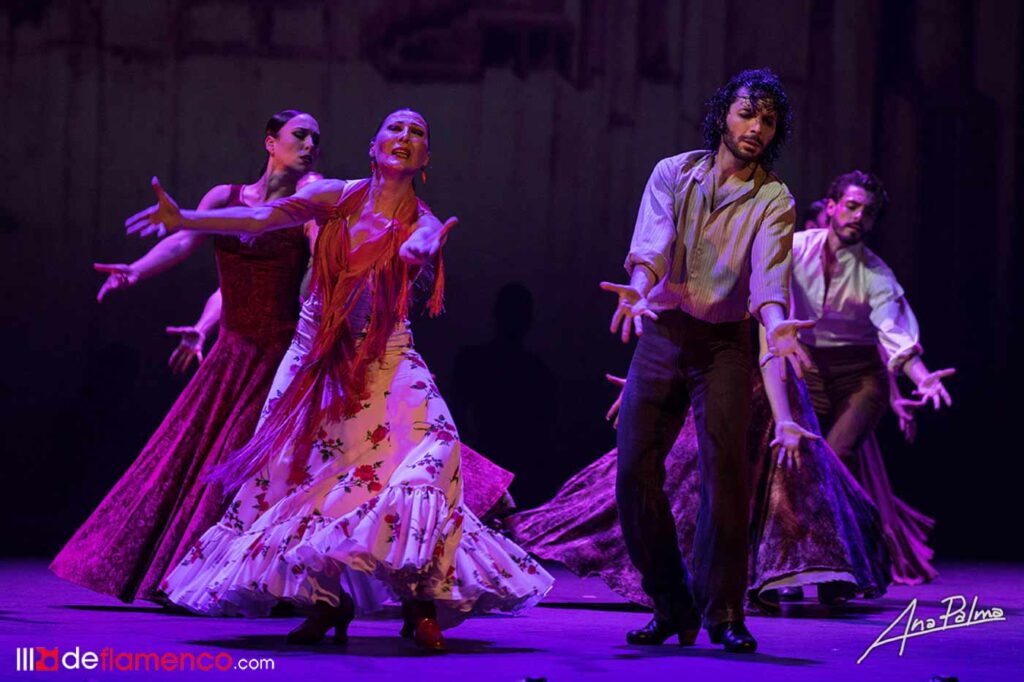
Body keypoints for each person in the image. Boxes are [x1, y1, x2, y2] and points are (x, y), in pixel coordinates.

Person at [126, 108, 553, 651]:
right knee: (306, 480)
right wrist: (188, 219)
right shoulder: (336, 195)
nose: (405, 137)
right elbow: (262, 220)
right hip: (315, 357)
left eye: (417, 133)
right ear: (374, 146)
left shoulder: (422, 220)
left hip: (386, 358)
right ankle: (326, 604)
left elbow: (421, 244)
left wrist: (420, 252)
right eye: (395, 128)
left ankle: (421, 601)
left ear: (424, 159)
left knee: (423, 464)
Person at [51, 110, 321, 603]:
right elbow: (191, 249)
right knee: (184, 459)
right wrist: (139, 274)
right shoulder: (225, 197)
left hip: (277, 356)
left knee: (241, 465)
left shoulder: (309, 202)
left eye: (315, 138)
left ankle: (234, 581)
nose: (309, 144)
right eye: (299, 135)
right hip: (230, 353)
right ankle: (176, 573)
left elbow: (310, 278)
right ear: (270, 142)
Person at [599, 68, 809, 653]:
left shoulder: (773, 198)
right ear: (724, 115)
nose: (757, 128)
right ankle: (672, 604)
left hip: (723, 344)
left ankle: (724, 611)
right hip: (663, 332)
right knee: (633, 473)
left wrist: (776, 326)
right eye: (748, 113)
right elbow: (653, 244)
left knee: (725, 475)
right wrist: (640, 288)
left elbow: (769, 282)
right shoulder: (673, 172)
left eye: (768, 121)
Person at [507, 325, 892, 613]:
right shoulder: (693, 255)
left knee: (786, 481)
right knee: (680, 481)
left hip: (765, 385)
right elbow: (671, 327)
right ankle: (530, 537)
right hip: (721, 384)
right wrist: (648, 381)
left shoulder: (763, 249)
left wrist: (784, 414)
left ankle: (790, 575)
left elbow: (769, 341)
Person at [792, 170, 954, 584]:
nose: (858, 217)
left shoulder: (876, 274)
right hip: (806, 368)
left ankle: (841, 566)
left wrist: (920, 378)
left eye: (868, 212)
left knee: (834, 459)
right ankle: (797, 565)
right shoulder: (795, 248)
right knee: (794, 462)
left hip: (859, 378)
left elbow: (893, 334)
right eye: (851, 206)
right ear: (831, 207)